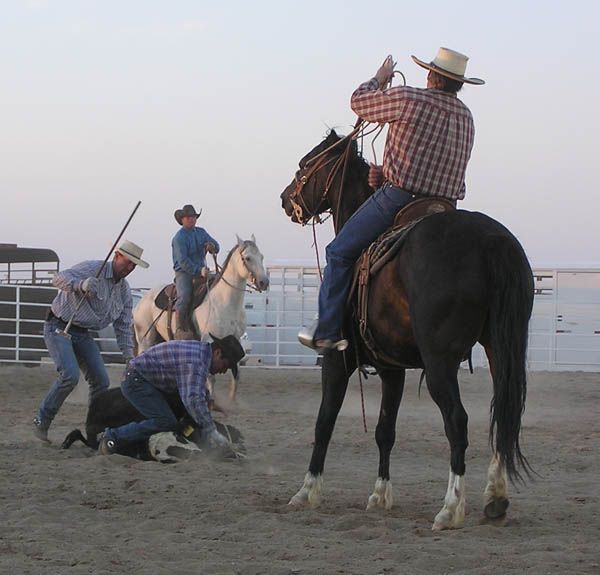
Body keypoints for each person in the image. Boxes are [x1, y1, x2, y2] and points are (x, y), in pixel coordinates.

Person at [301, 47, 484, 351]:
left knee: (339, 253)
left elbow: (358, 103)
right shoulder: (466, 116)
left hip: (400, 198)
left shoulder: (408, 98)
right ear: (459, 84)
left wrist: (379, 78)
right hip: (446, 209)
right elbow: (435, 164)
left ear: (431, 75)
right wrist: (387, 171)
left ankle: (328, 330)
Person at [33, 240, 150, 442]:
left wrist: (129, 356)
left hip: (83, 333)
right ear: (117, 255)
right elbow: (58, 279)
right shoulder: (92, 268)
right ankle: (42, 421)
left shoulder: (124, 291)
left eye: (133, 265)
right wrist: (79, 285)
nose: (130, 268)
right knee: (69, 376)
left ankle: (95, 425)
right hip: (59, 326)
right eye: (128, 262)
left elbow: (122, 326)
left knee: (101, 381)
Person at [97, 334, 246, 455]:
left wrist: (209, 402)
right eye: (225, 365)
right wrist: (211, 430)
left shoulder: (199, 354)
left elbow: (196, 389)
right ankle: (112, 438)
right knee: (165, 421)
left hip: (146, 380)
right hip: (137, 382)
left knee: (182, 413)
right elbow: (192, 398)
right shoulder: (195, 361)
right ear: (217, 353)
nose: (223, 371)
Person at [171, 204, 220, 340]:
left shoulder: (201, 232)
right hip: (184, 273)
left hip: (202, 270)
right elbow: (183, 261)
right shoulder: (179, 238)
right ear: (182, 219)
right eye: (188, 217)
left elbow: (216, 245)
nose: (191, 219)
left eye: (193, 217)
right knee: (185, 296)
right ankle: (180, 328)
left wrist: (213, 246)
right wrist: (199, 270)